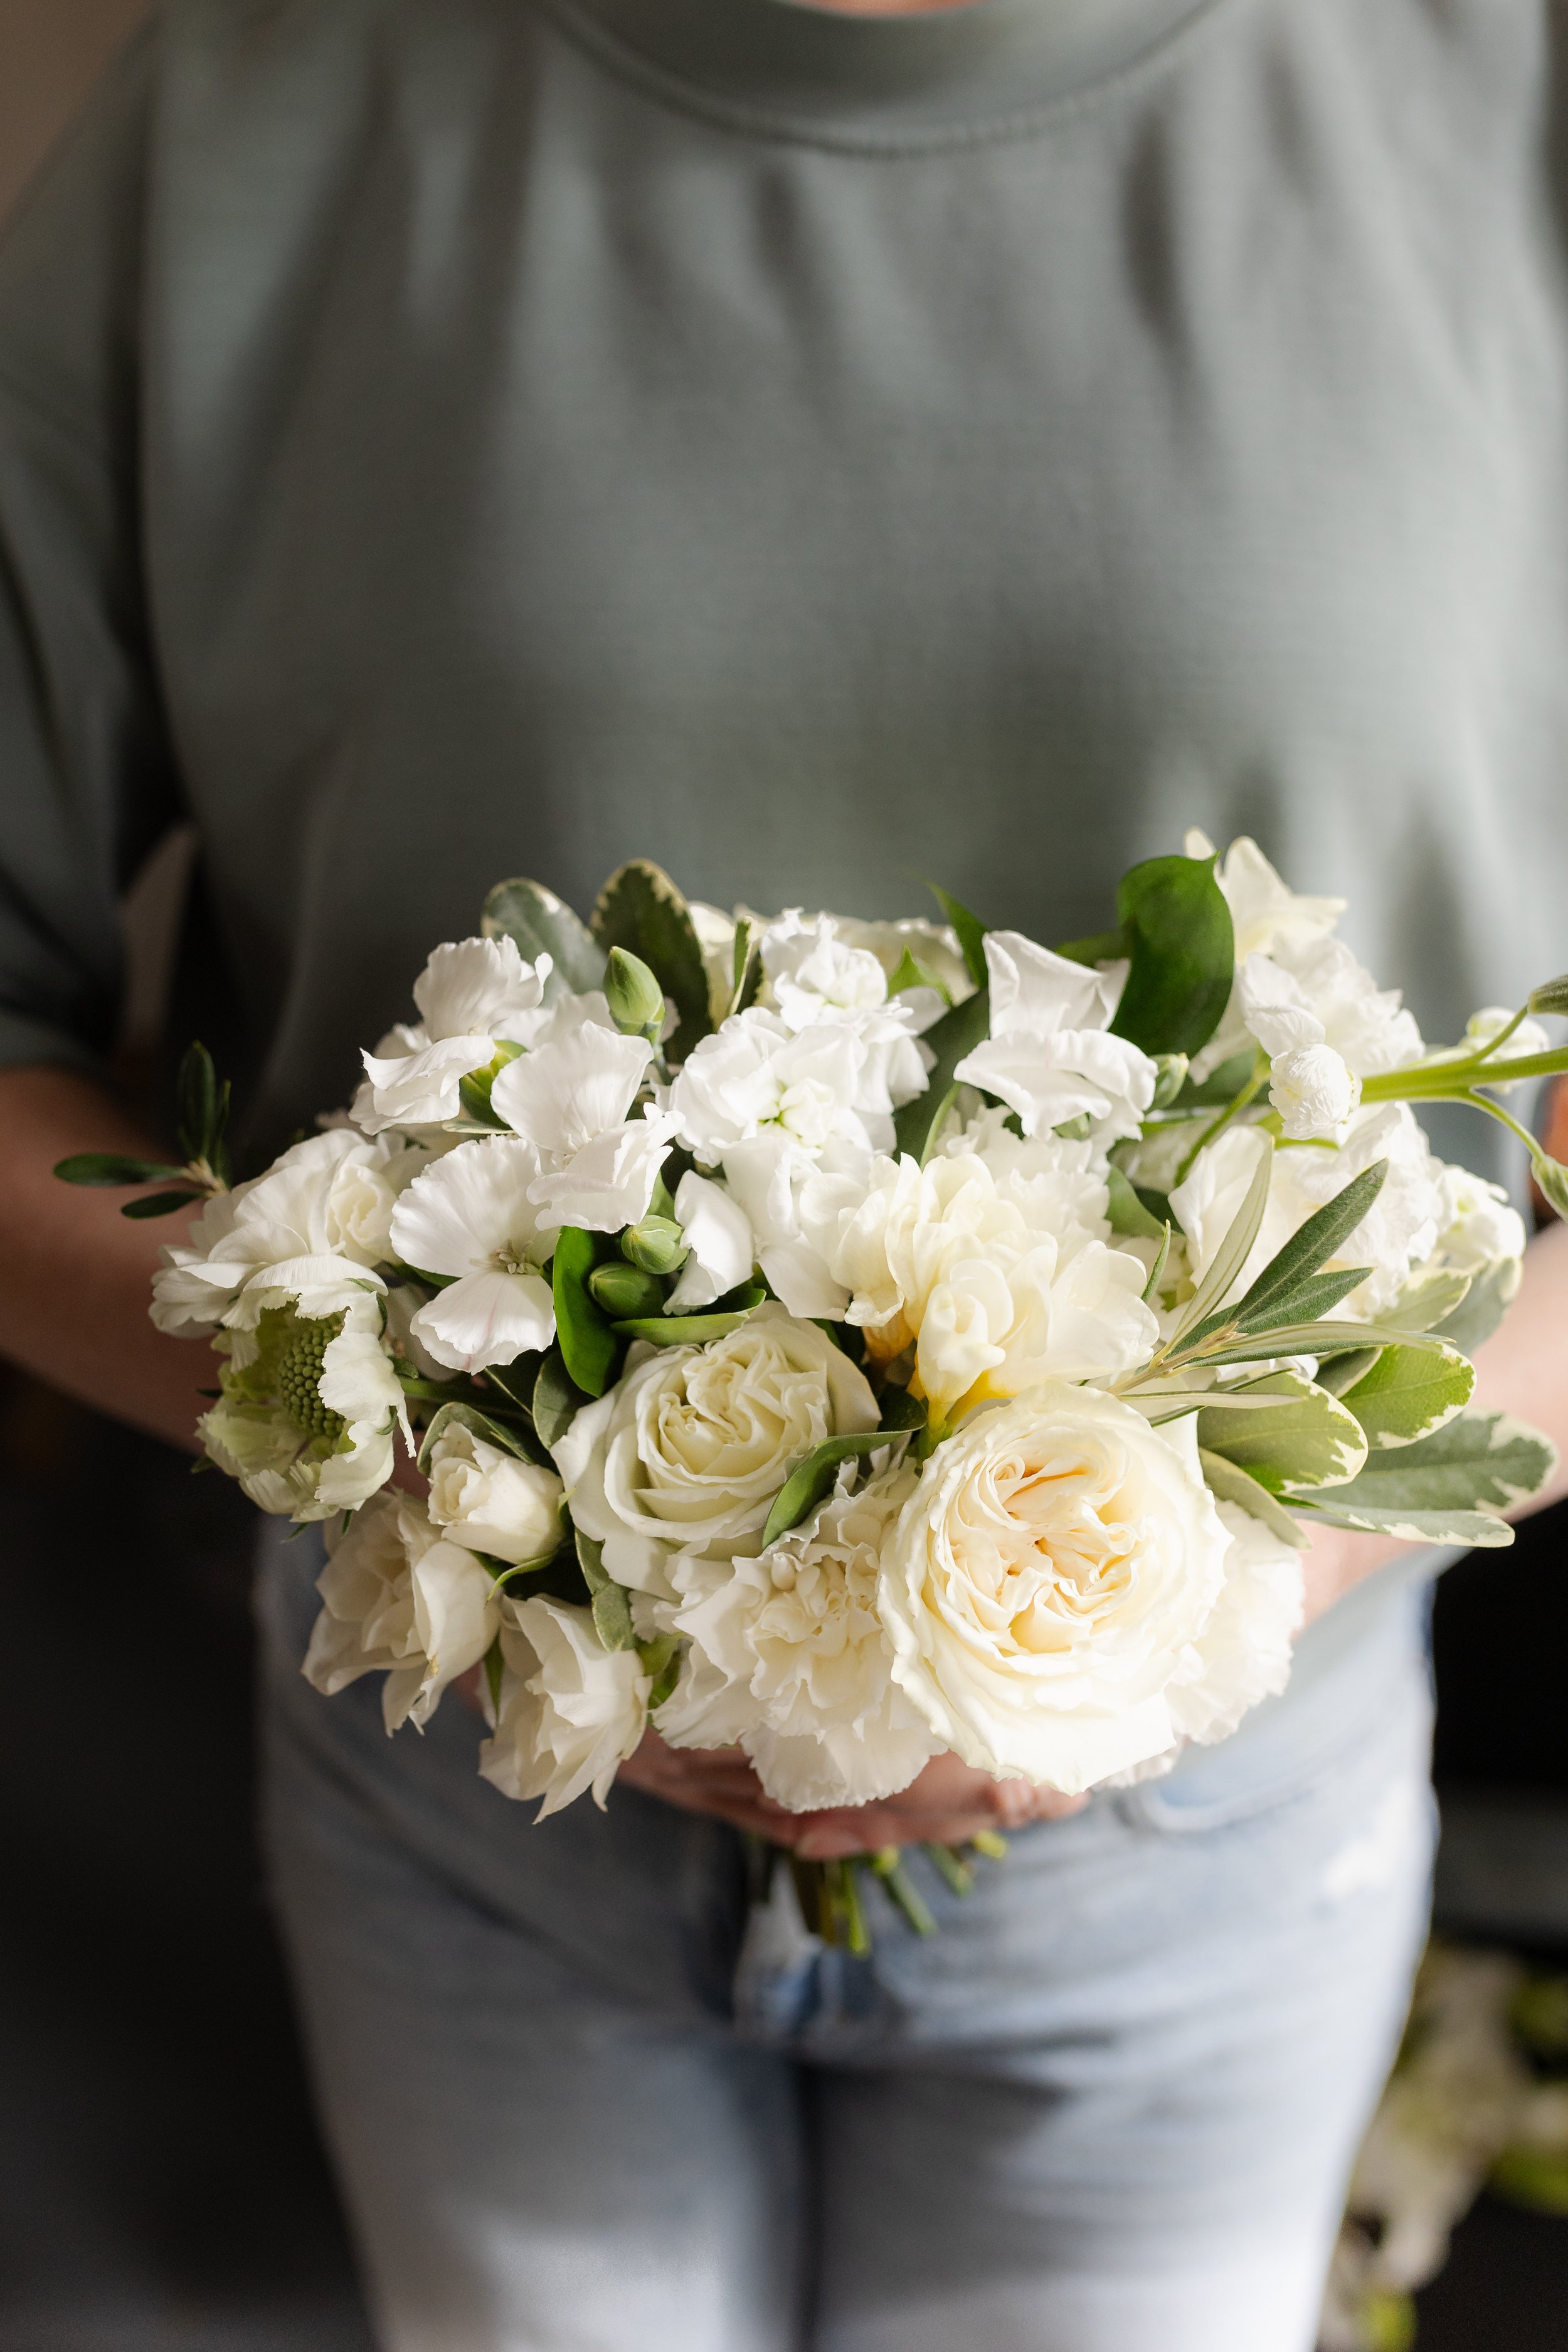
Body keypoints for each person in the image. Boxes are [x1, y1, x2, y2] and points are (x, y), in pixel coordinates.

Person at [2, 2, 1566, 2346]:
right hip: (461, 1794)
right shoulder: (247, 102)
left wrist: (1200, 1576)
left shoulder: (1510, 84)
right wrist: (490, 1508)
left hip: (1221, 1843)